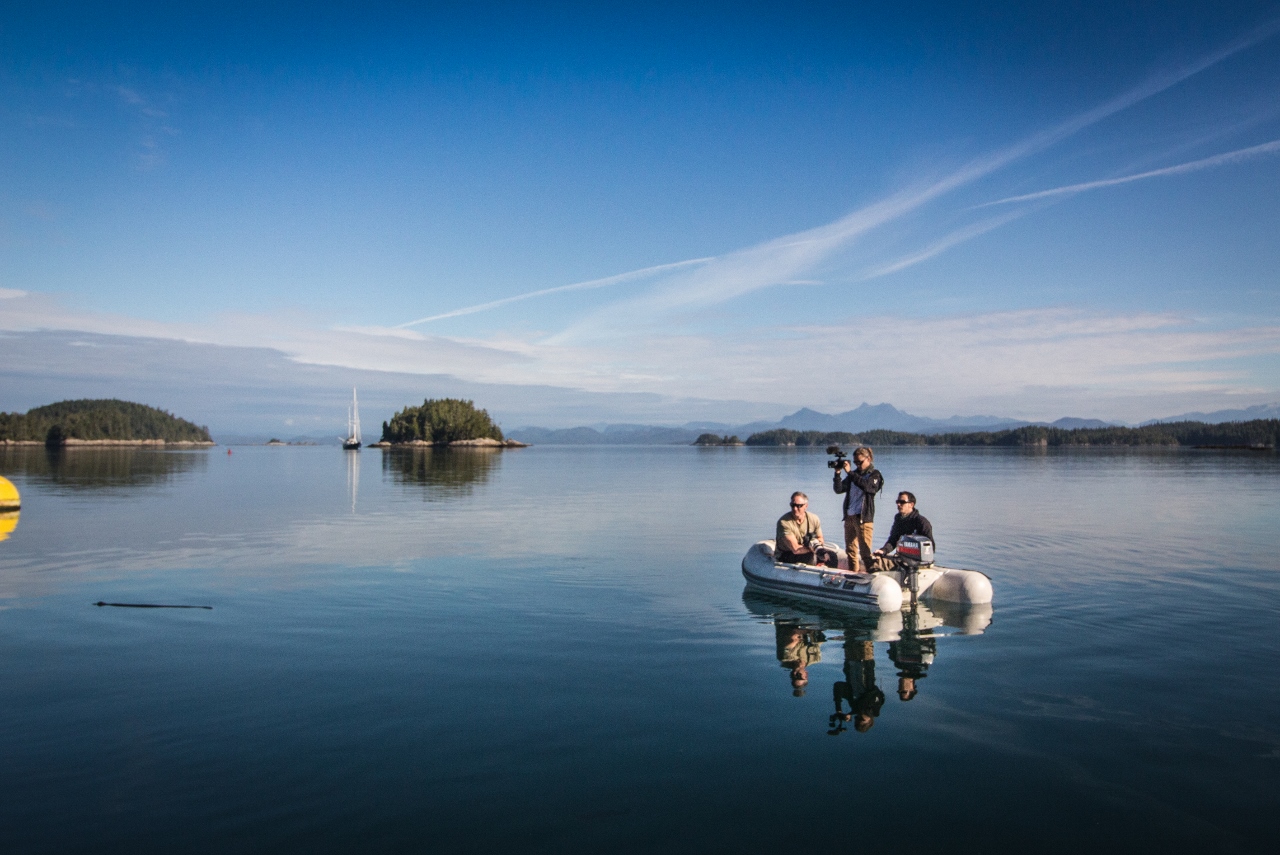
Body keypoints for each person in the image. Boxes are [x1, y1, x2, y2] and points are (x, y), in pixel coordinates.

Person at [832, 447, 884, 573]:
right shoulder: (854, 474)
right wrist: (837, 474)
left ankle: (872, 574)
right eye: (855, 463)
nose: (858, 465)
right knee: (850, 550)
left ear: (869, 459)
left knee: (865, 551)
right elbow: (839, 489)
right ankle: (853, 574)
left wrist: (850, 473)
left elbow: (869, 488)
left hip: (863, 518)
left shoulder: (874, 474)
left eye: (860, 462)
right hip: (850, 516)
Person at [870, 491, 934, 572]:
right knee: (872, 559)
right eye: (897, 502)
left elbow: (931, 547)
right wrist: (883, 550)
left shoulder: (922, 522)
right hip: (902, 558)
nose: (898, 504)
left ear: (911, 504)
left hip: (916, 562)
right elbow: (893, 540)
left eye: (902, 502)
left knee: (874, 565)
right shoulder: (898, 519)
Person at [774, 492, 831, 565]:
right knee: (810, 556)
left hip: (807, 549)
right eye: (793, 505)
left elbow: (820, 538)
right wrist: (812, 549)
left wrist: (816, 545)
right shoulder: (784, 522)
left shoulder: (814, 519)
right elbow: (795, 549)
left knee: (832, 556)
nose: (795, 508)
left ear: (806, 506)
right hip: (786, 554)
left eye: (799, 506)